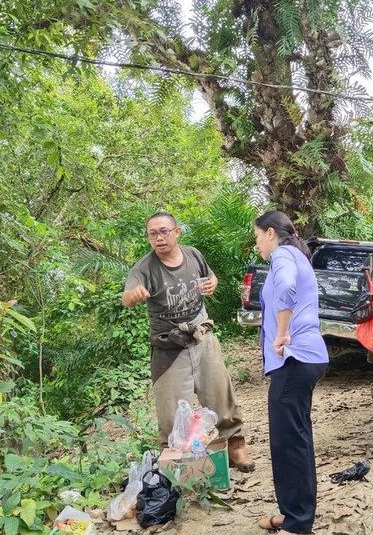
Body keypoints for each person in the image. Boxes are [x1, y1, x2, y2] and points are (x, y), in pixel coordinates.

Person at [121, 211, 255, 472]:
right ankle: (177, 467)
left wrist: (212, 284)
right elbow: (126, 299)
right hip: (169, 348)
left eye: (164, 231)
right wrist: (133, 296)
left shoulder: (193, 255)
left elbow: (211, 277)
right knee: (172, 413)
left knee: (221, 396)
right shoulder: (144, 268)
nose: (159, 238)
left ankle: (235, 445)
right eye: (153, 234)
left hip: (202, 338)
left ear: (177, 232)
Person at [253, 211, 329, 535]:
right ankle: (294, 514)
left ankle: (298, 523)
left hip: (294, 358)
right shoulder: (296, 255)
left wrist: (282, 332)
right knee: (294, 438)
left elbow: (285, 287)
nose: (257, 244)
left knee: (288, 442)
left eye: (257, 237)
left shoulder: (283, 254)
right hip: (304, 358)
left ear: (270, 233)